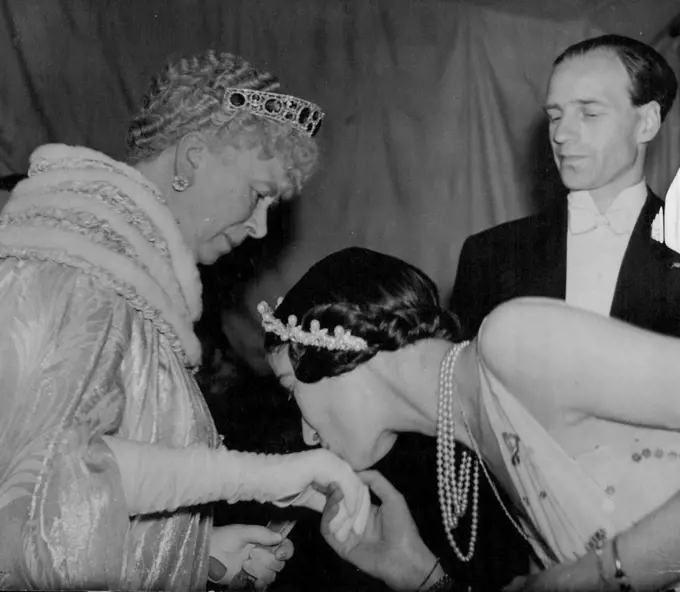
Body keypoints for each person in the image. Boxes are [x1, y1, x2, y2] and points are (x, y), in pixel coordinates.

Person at [0, 51, 370, 591]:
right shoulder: (83, 274)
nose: (262, 227)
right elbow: (56, 485)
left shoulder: (118, 278)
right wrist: (264, 477)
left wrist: (195, 554)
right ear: (192, 157)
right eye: (257, 194)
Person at [262, 246, 680, 591]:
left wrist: (587, 579)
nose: (307, 435)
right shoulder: (478, 448)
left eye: (289, 388)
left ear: (340, 352)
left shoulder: (512, 343)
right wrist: (423, 577)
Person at [450, 34, 680, 341]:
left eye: (589, 113)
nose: (561, 134)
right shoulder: (489, 255)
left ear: (648, 122)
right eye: (555, 116)